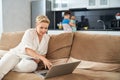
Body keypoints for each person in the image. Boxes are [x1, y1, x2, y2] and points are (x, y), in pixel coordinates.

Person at [0, 15, 52, 80]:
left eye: (46, 28)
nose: (44, 30)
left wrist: (38, 60)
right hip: (17, 54)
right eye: (41, 27)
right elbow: (28, 50)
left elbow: (44, 53)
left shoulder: (47, 38)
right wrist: (43, 59)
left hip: (29, 60)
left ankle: (8, 65)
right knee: (1, 68)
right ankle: (6, 61)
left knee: (32, 66)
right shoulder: (29, 32)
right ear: (36, 25)